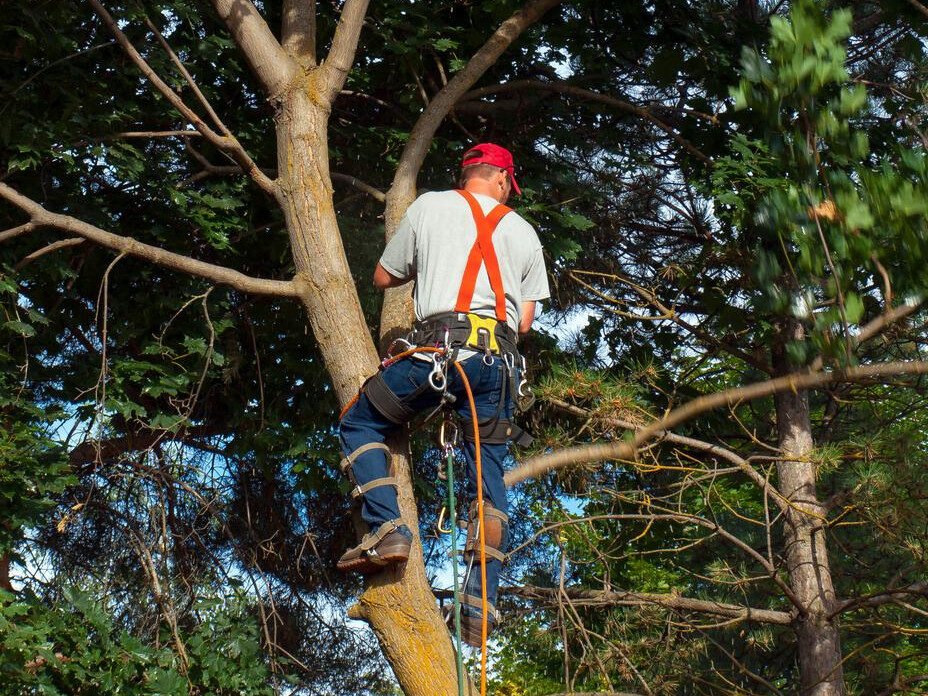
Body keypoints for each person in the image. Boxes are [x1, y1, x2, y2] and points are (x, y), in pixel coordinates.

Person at [336, 143, 550, 645]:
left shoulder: (429, 206)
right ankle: (478, 607)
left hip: (437, 353)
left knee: (362, 421)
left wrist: (433, 264)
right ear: (501, 179)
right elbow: (523, 321)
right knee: (486, 482)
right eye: (507, 185)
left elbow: (384, 276)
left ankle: (388, 530)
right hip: (497, 367)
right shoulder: (523, 231)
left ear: (469, 173)